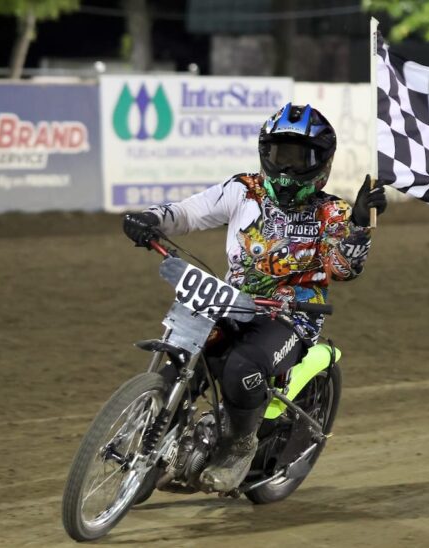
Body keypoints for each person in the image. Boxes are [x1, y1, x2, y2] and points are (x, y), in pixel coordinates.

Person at [123, 103, 387, 492]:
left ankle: (239, 446)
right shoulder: (244, 190)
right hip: (230, 302)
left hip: (290, 318)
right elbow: (189, 212)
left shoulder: (333, 212)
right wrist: (151, 219)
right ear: (266, 153)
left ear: (321, 163)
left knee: (240, 367)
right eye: (281, 155)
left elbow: (345, 268)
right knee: (185, 358)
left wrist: (360, 226)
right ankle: (159, 439)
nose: (288, 168)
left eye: (300, 159)